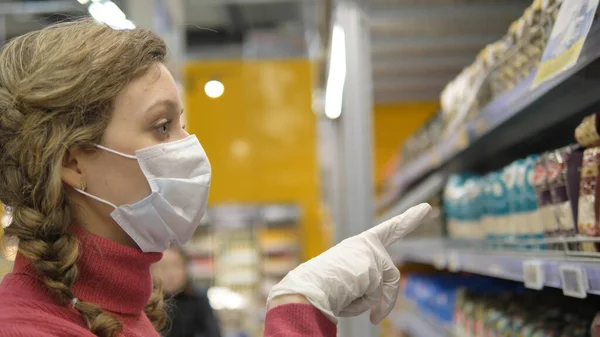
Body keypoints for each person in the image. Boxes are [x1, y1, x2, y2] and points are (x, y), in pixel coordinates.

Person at [0, 18, 431, 337]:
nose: (189, 146)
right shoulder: (23, 328)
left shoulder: (122, 304)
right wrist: (298, 310)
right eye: (162, 126)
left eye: (180, 122)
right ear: (73, 163)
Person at [151, 247, 221, 337]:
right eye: (163, 267)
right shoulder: (148, 303)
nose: (170, 273)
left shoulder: (198, 298)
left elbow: (212, 332)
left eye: (176, 265)